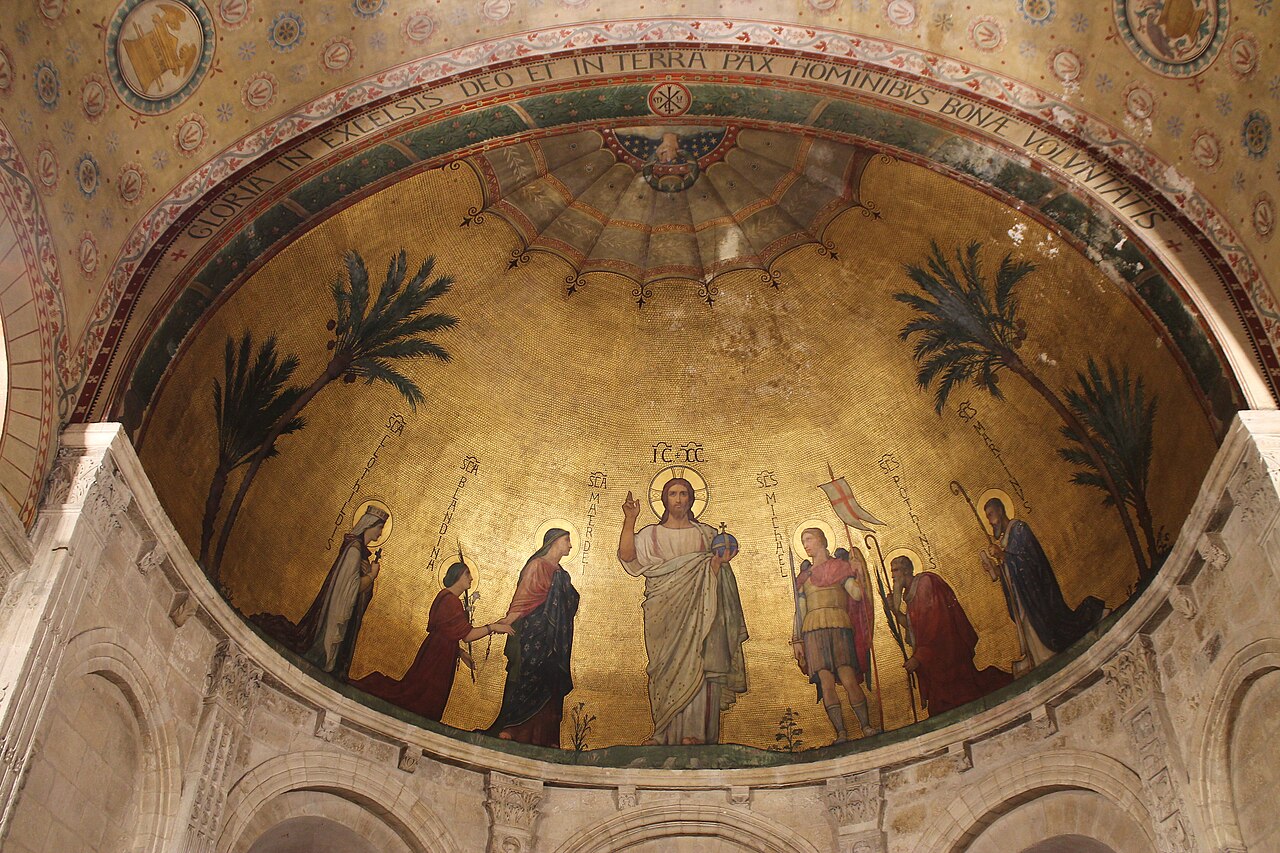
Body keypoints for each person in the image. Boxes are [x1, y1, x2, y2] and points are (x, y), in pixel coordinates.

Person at [618, 479, 748, 745]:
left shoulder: (707, 534)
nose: (678, 499)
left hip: (703, 611)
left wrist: (719, 564)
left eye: (684, 493)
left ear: (692, 499)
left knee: (700, 664)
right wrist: (630, 519)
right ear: (664, 500)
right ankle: (663, 732)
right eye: (673, 494)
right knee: (664, 667)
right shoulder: (651, 534)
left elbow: (719, 568)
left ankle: (696, 733)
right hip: (662, 611)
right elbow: (628, 557)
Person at [352, 559, 513, 721]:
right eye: (467, 574)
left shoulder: (448, 598)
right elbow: (467, 635)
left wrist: (461, 652)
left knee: (423, 695)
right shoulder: (450, 601)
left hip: (439, 651)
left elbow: (447, 633)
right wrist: (493, 627)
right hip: (438, 656)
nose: (471, 578)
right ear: (457, 576)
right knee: (420, 698)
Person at [979, 498, 1106, 674]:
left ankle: (1052, 649)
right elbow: (1010, 570)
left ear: (1000, 511)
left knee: (1043, 621)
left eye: (991, 514)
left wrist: (1004, 554)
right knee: (1027, 622)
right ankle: (1039, 657)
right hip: (1021, 594)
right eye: (987, 517)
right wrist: (996, 569)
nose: (990, 520)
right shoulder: (1005, 539)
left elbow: (1031, 559)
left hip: (1034, 590)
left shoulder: (1019, 529)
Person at [487, 528, 580, 747]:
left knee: (551, 682)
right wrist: (507, 621)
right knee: (529, 677)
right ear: (554, 542)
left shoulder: (563, 574)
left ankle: (547, 737)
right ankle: (513, 727)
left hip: (557, 640)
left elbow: (570, 604)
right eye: (567, 540)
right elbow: (524, 598)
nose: (570, 545)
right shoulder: (537, 566)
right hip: (534, 631)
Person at [889, 555, 1012, 715]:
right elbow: (914, 627)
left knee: (959, 696)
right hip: (934, 660)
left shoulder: (926, 583)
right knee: (941, 705)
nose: (892, 576)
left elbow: (936, 624)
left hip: (947, 653)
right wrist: (894, 610)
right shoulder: (912, 595)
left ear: (906, 570)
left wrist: (918, 657)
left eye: (895, 570)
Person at [790, 528, 879, 742]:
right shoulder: (805, 576)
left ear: (822, 540)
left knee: (848, 677)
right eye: (803, 541)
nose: (806, 545)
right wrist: (796, 639)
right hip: (812, 629)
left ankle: (865, 726)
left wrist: (858, 572)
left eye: (809, 539)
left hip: (838, 624)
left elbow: (856, 594)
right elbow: (800, 611)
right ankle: (840, 732)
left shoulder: (840, 568)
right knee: (826, 682)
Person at [294, 505, 388, 679]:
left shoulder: (360, 554)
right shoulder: (354, 551)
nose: (381, 533)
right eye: (379, 527)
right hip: (335, 615)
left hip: (341, 613)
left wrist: (367, 574)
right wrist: (372, 576)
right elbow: (351, 590)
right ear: (369, 525)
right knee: (328, 655)